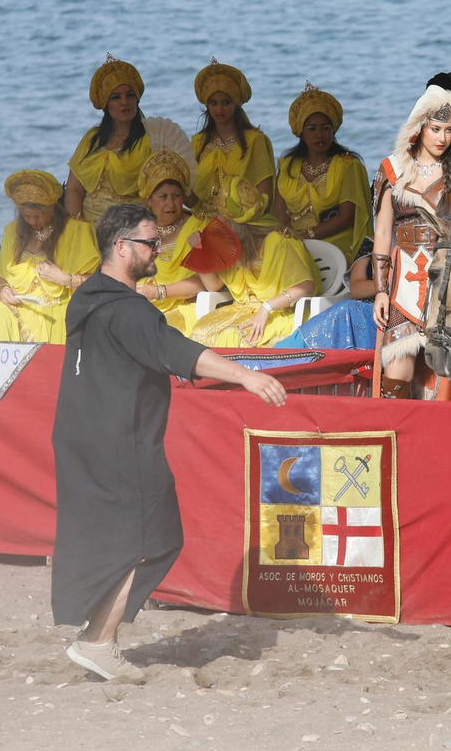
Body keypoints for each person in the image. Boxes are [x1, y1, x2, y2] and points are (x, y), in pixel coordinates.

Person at [52, 202, 288, 683]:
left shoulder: (87, 297)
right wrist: (245, 375)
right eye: (150, 242)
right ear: (121, 248)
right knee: (152, 540)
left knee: (130, 537)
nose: (158, 249)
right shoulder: (126, 309)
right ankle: (98, 641)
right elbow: (177, 350)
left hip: (81, 433)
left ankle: (95, 637)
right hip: (119, 439)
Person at [371, 84, 451, 398]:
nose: (442, 138)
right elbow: (382, 233)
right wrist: (380, 290)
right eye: (435, 128)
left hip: (447, 281)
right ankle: (395, 438)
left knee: (442, 377)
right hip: (401, 287)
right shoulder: (391, 169)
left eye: (449, 130)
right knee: (397, 372)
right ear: (419, 126)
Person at [0, 170, 100, 344]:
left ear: (52, 208)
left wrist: (65, 279)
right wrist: (3, 290)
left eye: (37, 216)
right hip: (17, 311)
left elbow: (99, 282)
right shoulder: (14, 232)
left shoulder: (76, 232)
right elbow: (0, 274)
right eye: (25, 216)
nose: (31, 222)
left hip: (55, 316)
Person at [188, 177, 320, 348]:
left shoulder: (279, 241)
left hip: (279, 312)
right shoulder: (233, 246)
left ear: (238, 223)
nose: (218, 221)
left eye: (223, 216)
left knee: (231, 336)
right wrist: (200, 251)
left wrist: (266, 307)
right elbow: (214, 286)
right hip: (241, 310)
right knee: (200, 332)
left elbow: (306, 286)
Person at [275, 82, 371, 262]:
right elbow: (279, 216)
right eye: (311, 128)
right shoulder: (288, 166)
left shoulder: (348, 165)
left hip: (335, 249)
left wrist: (306, 236)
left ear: (333, 130)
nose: (319, 134)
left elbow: (346, 217)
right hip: (295, 244)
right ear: (301, 132)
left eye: (325, 128)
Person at [133, 134, 210, 334]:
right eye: (163, 197)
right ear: (148, 199)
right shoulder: (137, 228)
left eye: (176, 196)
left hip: (179, 309)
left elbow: (200, 283)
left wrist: (158, 292)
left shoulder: (197, 228)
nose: (171, 204)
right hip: (140, 306)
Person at [188, 58, 276, 228]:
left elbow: (265, 196)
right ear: (207, 105)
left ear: (236, 104)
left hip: (243, 225)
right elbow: (192, 200)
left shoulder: (254, 141)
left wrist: (238, 220)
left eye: (226, 103)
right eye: (214, 103)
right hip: (202, 225)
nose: (219, 110)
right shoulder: (197, 142)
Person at [66, 56, 153, 226]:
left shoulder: (151, 140)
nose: (124, 102)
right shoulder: (92, 138)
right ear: (106, 103)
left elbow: (160, 194)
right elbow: (74, 189)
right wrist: (76, 229)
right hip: (88, 232)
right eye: (116, 97)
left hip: (130, 233)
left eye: (130, 95)